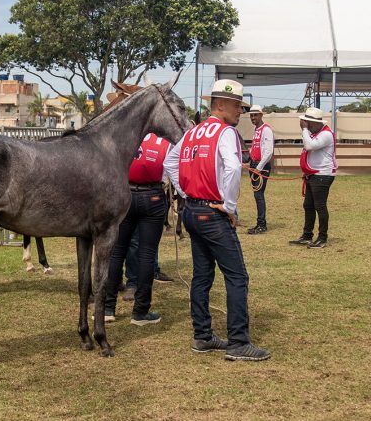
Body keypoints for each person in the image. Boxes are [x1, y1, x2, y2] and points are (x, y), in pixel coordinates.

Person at [164, 79, 271, 361]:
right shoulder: (225, 133)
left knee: (202, 275)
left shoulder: (193, 132)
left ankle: (202, 336)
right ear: (220, 104)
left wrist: (185, 191)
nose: (240, 112)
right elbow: (234, 167)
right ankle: (238, 342)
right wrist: (229, 206)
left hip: (192, 211)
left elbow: (169, 163)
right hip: (213, 213)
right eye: (237, 105)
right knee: (237, 276)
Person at [104, 133, 171, 325]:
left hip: (126, 193)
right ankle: (140, 311)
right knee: (147, 254)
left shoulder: (126, 135)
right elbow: (170, 172)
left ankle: (108, 308)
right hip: (153, 196)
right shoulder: (164, 143)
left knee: (117, 252)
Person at [289, 107, 338, 249]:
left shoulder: (326, 134)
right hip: (314, 174)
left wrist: (304, 130)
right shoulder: (317, 133)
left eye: (308, 124)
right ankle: (307, 235)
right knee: (308, 205)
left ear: (315, 123)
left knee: (320, 207)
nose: (307, 126)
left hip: (323, 174)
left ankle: (322, 238)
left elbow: (309, 146)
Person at [246, 105, 273, 234]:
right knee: (257, 195)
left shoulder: (266, 130)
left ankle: (261, 224)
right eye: (251, 115)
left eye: (255, 115)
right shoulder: (257, 130)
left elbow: (268, 152)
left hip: (260, 167)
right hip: (254, 165)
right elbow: (255, 147)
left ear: (261, 115)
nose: (253, 118)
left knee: (259, 195)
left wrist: (258, 168)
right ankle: (260, 223)